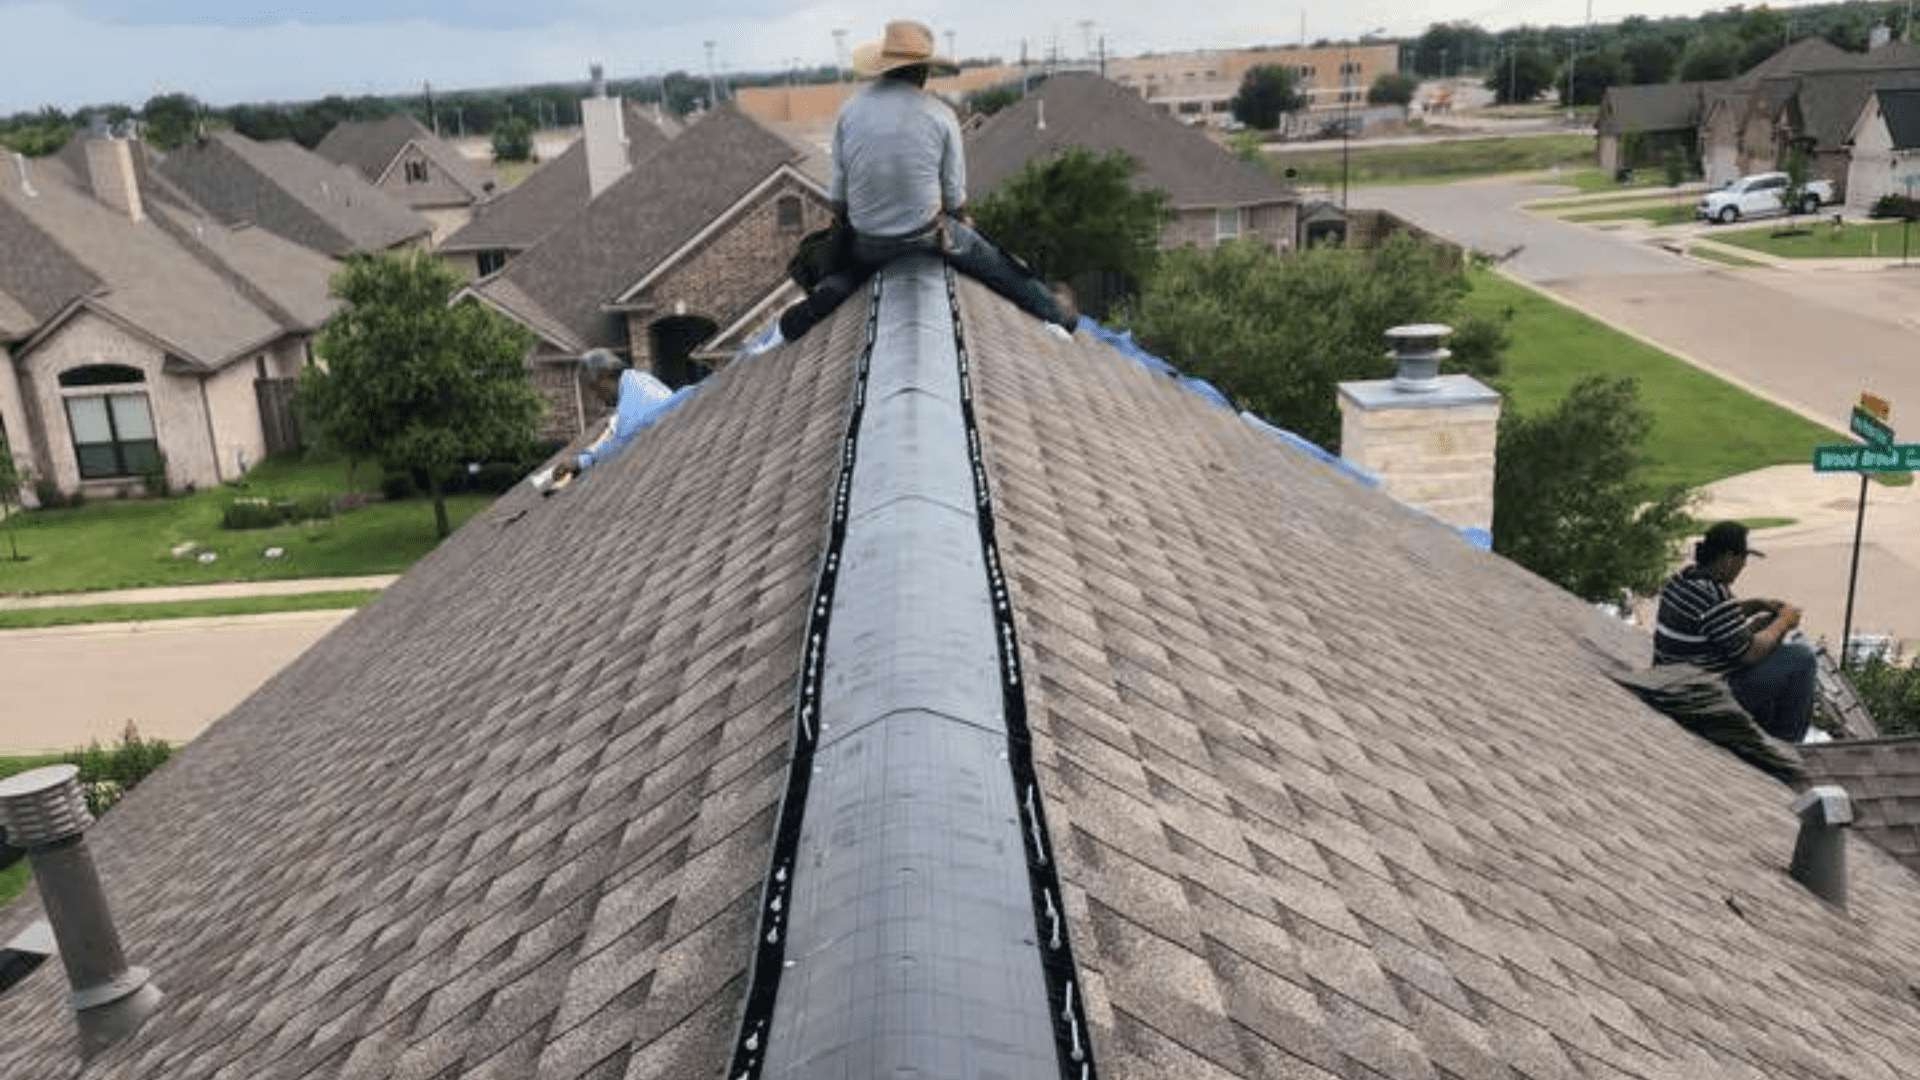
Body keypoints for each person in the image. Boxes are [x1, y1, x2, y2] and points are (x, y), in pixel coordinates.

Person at [779, 19, 1076, 341]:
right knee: (999, 266)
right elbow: (954, 202)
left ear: (884, 67)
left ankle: (832, 290)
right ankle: (1054, 310)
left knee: (850, 267)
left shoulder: (849, 111)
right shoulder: (940, 114)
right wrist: (968, 227)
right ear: (924, 72)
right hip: (924, 238)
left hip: (868, 242)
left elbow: (837, 200)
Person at [1652, 521, 1817, 742]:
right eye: (1743, 559)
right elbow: (1750, 654)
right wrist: (1783, 623)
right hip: (1698, 695)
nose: (1744, 566)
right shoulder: (1717, 596)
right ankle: (1788, 742)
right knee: (1801, 658)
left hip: (1673, 676)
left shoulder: (1683, 579)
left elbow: (1712, 623)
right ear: (1729, 558)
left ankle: (1763, 727)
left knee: (1771, 646)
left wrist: (1754, 607)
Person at [550, 350, 680, 483]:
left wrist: (579, 462)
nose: (596, 396)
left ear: (604, 375)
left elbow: (618, 444)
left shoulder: (632, 402)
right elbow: (615, 433)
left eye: (594, 388)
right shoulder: (638, 378)